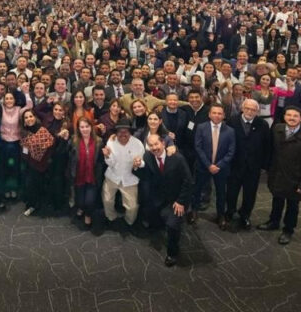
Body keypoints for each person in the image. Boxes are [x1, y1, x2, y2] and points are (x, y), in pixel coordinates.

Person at [257, 106, 301, 244]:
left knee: (292, 206)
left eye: (295, 116)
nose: (291, 118)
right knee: (277, 200)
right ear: (284, 116)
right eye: (289, 115)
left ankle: (288, 230)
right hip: (277, 174)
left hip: (296, 180)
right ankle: (273, 221)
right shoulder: (277, 129)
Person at [138, 133, 193, 267]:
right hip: (158, 198)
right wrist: (137, 167)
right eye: (150, 145)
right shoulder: (148, 157)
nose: (154, 148)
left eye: (156, 144)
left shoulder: (177, 158)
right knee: (151, 218)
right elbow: (145, 176)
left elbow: (188, 182)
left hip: (176, 200)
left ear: (163, 143)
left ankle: (172, 253)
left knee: (173, 225)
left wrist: (181, 201)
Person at [224, 99, 271, 230]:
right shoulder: (232, 121)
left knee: (250, 193)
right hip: (234, 165)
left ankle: (245, 215)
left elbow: (267, 146)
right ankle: (230, 211)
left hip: (253, 167)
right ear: (242, 109)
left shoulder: (262, 124)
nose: (250, 111)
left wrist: (264, 166)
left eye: (253, 110)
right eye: (247, 108)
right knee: (232, 191)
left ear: (257, 111)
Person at [191, 104, 236, 229]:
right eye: (214, 113)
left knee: (221, 193)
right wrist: (208, 165)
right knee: (197, 190)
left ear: (224, 115)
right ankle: (194, 211)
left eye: (219, 113)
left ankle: (220, 215)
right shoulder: (201, 127)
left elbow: (231, 151)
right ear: (209, 114)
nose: (217, 115)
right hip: (203, 166)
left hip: (221, 169)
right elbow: (198, 147)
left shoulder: (230, 131)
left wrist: (218, 165)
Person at [101, 119, 144, 231]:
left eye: (126, 131)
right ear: (116, 132)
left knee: (133, 207)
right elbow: (110, 163)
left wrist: (139, 163)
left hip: (130, 179)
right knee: (107, 200)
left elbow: (143, 162)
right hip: (112, 177)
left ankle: (129, 222)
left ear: (130, 132)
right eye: (120, 131)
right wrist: (107, 156)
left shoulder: (137, 144)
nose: (123, 134)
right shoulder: (111, 142)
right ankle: (111, 218)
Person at [19, 109, 55, 216]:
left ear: (35, 117)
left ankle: (41, 205)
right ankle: (32, 205)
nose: (29, 119)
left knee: (42, 185)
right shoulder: (24, 133)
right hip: (30, 164)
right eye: (26, 117)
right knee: (30, 185)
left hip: (43, 163)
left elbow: (51, 144)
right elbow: (23, 149)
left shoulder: (42, 130)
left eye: (31, 116)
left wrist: (42, 154)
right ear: (24, 121)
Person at [68, 117, 103, 229]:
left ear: (91, 127)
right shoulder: (73, 140)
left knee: (89, 201)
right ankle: (81, 208)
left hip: (92, 177)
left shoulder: (99, 141)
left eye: (87, 126)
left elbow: (101, 161)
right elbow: (67, 156)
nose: (85, 129)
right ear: (78, 128)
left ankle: (88, 215)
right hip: (78, 176)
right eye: (82, 127)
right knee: (80, 201)